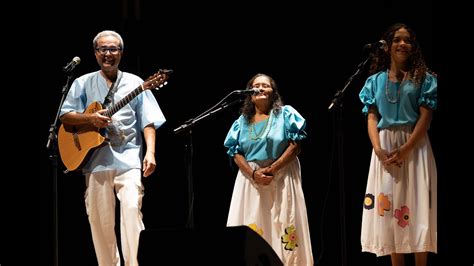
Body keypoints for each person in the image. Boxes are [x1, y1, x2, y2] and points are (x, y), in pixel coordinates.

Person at [60, 30, 166, 265]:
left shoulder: (136, 82)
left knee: (131, 210)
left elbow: (148, 120)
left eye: (113, 49)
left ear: (121, 53)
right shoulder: (82, 82)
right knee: (100, 222)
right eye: (103, 49)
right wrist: (90, 119)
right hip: (95, 161)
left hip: (128, 159)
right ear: (96, 53)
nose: (108, 54)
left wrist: (150, 152)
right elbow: (65, 116)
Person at [359, 23, 437, 266]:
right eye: (397, 40)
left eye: (408, 40)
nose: (403, 44)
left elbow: (426, 116)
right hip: (384, 147)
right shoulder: (374, 81)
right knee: (391, 207)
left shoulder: (424, 78)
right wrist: (378, 149)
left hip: (414, 146)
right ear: (388, 46)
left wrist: (406, 148)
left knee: (417, 207)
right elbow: (372, 116)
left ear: (413, 47)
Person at [224, 73, 313, 265]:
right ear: (249, 93)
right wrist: (253, 173)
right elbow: (235, 152)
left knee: (283, 223)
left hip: (281, 175)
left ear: (273, 92)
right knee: (253, 225)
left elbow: (296, 145)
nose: (261, 88)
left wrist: (273, 168)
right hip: (251, 180)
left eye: (266, 85)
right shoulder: (242, 122)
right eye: (257, 86)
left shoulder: (285, 114)